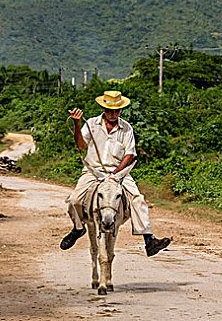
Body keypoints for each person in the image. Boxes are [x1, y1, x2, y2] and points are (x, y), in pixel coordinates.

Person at [60, 90, 171, 257]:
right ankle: (77, 228)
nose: (113, 114)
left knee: (137, 198)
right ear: (103, 109)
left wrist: (116, 173)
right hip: (93, 170)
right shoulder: (91, 124)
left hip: (119, 172)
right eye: (109, 110)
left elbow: (129, 154)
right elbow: (81, 146)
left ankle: (149, 240)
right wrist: (77, 124)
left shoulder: (126, 128)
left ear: (120, 110)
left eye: (116, 111)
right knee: (74, 200)